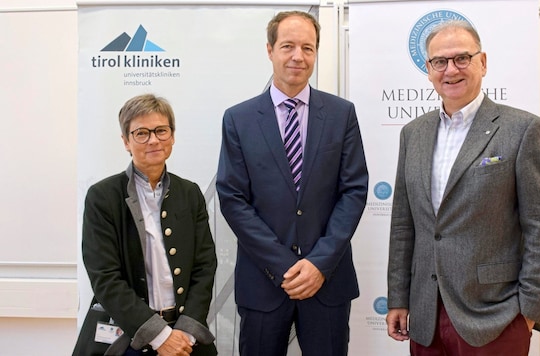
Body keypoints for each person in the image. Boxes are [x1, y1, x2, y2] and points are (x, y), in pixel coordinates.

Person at [386, 20, 540, 355]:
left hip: (494, 316)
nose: (450, 69)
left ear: (482, 62)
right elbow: (403, 224)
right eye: (440, 61)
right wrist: (398, 296)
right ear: (428, 70)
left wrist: (530, 309)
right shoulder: (413, 133)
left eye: (462, 58)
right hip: (426, 317)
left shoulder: (522, 130)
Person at [216, 10, 369, 356]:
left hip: (327, 281)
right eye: (288, 46)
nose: (298, 56)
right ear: (269, 50)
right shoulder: (238, 119)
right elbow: (233, 199)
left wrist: (319, 264)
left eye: (307, 47)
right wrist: (285, 266)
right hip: (264, 282)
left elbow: (354, 190)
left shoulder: (341, 114)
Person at [73, 94, 218, 356]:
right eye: (141, 133)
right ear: (126, 141)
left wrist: (183, 334)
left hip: (186, 334)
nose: (153, 140)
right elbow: (105, 277)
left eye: (161, 130)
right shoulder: (102, 196)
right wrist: (160, 337)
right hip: (129, 335)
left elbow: (205, 266)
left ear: (172, 136)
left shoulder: (190, 193)